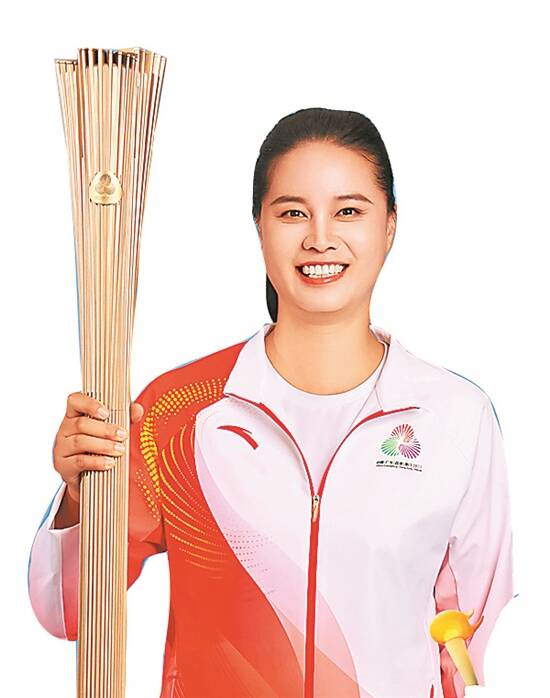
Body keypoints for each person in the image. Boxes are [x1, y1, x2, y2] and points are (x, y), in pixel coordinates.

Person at [27, 107, 515, 698]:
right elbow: (70, 613)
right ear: (259, 226)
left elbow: (472, 646)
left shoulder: (454, 419)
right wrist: (80, 494)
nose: (320, 238)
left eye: (349, 211)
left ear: (390, 226)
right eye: (292, 213)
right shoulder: (180, 413)